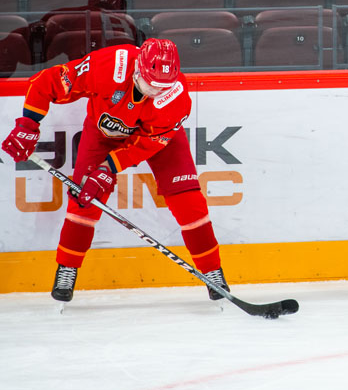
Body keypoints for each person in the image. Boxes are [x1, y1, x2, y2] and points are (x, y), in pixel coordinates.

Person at [0, 39, 228, 303]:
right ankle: (67, 268)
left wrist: (109, 167)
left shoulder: (176, 97)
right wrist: (28, 125)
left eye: (162, 87)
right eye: (150, 84)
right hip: (102, 135)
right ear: (137, 69)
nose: (155, 91)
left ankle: (212, 271)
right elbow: (46, 82)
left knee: (188, 201)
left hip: (153, 140)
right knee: (84, 200)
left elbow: (149, 144)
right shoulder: (108, 65)